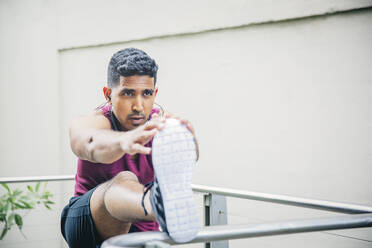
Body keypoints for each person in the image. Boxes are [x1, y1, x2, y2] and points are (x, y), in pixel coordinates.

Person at [60, 48, 200, 248]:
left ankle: (165, 208)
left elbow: (188, 156)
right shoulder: (96, 121)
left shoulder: (161, 125)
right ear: (108, 94)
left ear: (155, 93)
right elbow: (88, 143)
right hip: (86, 221)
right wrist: (124, 141)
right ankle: (161, 206)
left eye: (147, 93)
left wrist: (189, 140)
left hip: (142, 226)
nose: (138, 106)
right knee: (126, 178)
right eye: (128, 93)